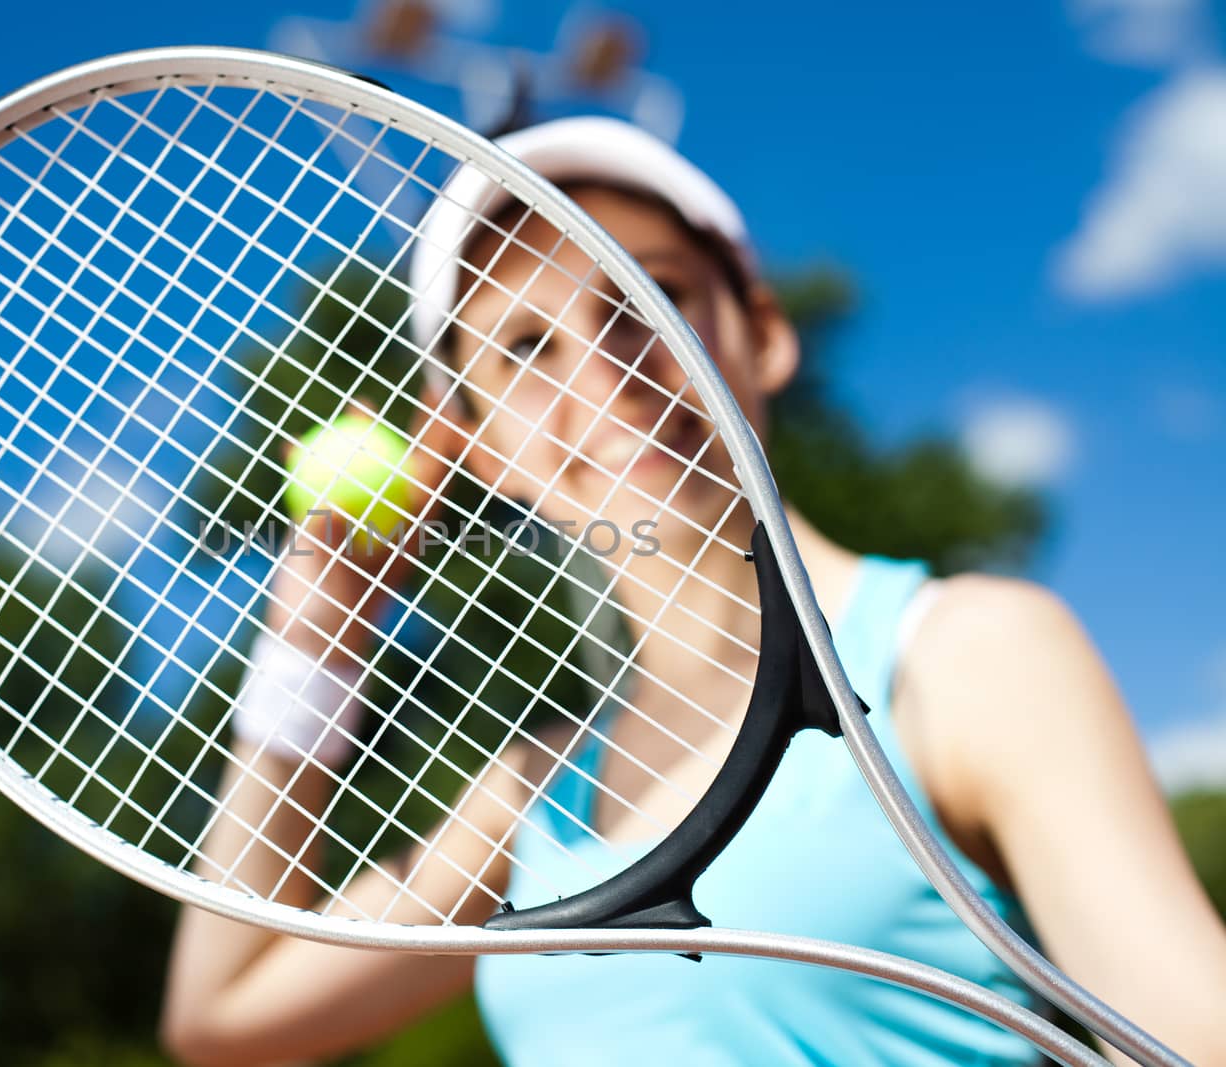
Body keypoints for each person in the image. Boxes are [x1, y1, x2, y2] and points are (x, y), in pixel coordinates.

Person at [163, 116, 1226, 1066]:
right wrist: (311, 653)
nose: (605, 371)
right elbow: (223, 1021)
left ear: (760, 333)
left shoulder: (960, 655)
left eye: (649, 296)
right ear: (476, 444)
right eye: (526, 346)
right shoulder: (531, 800)